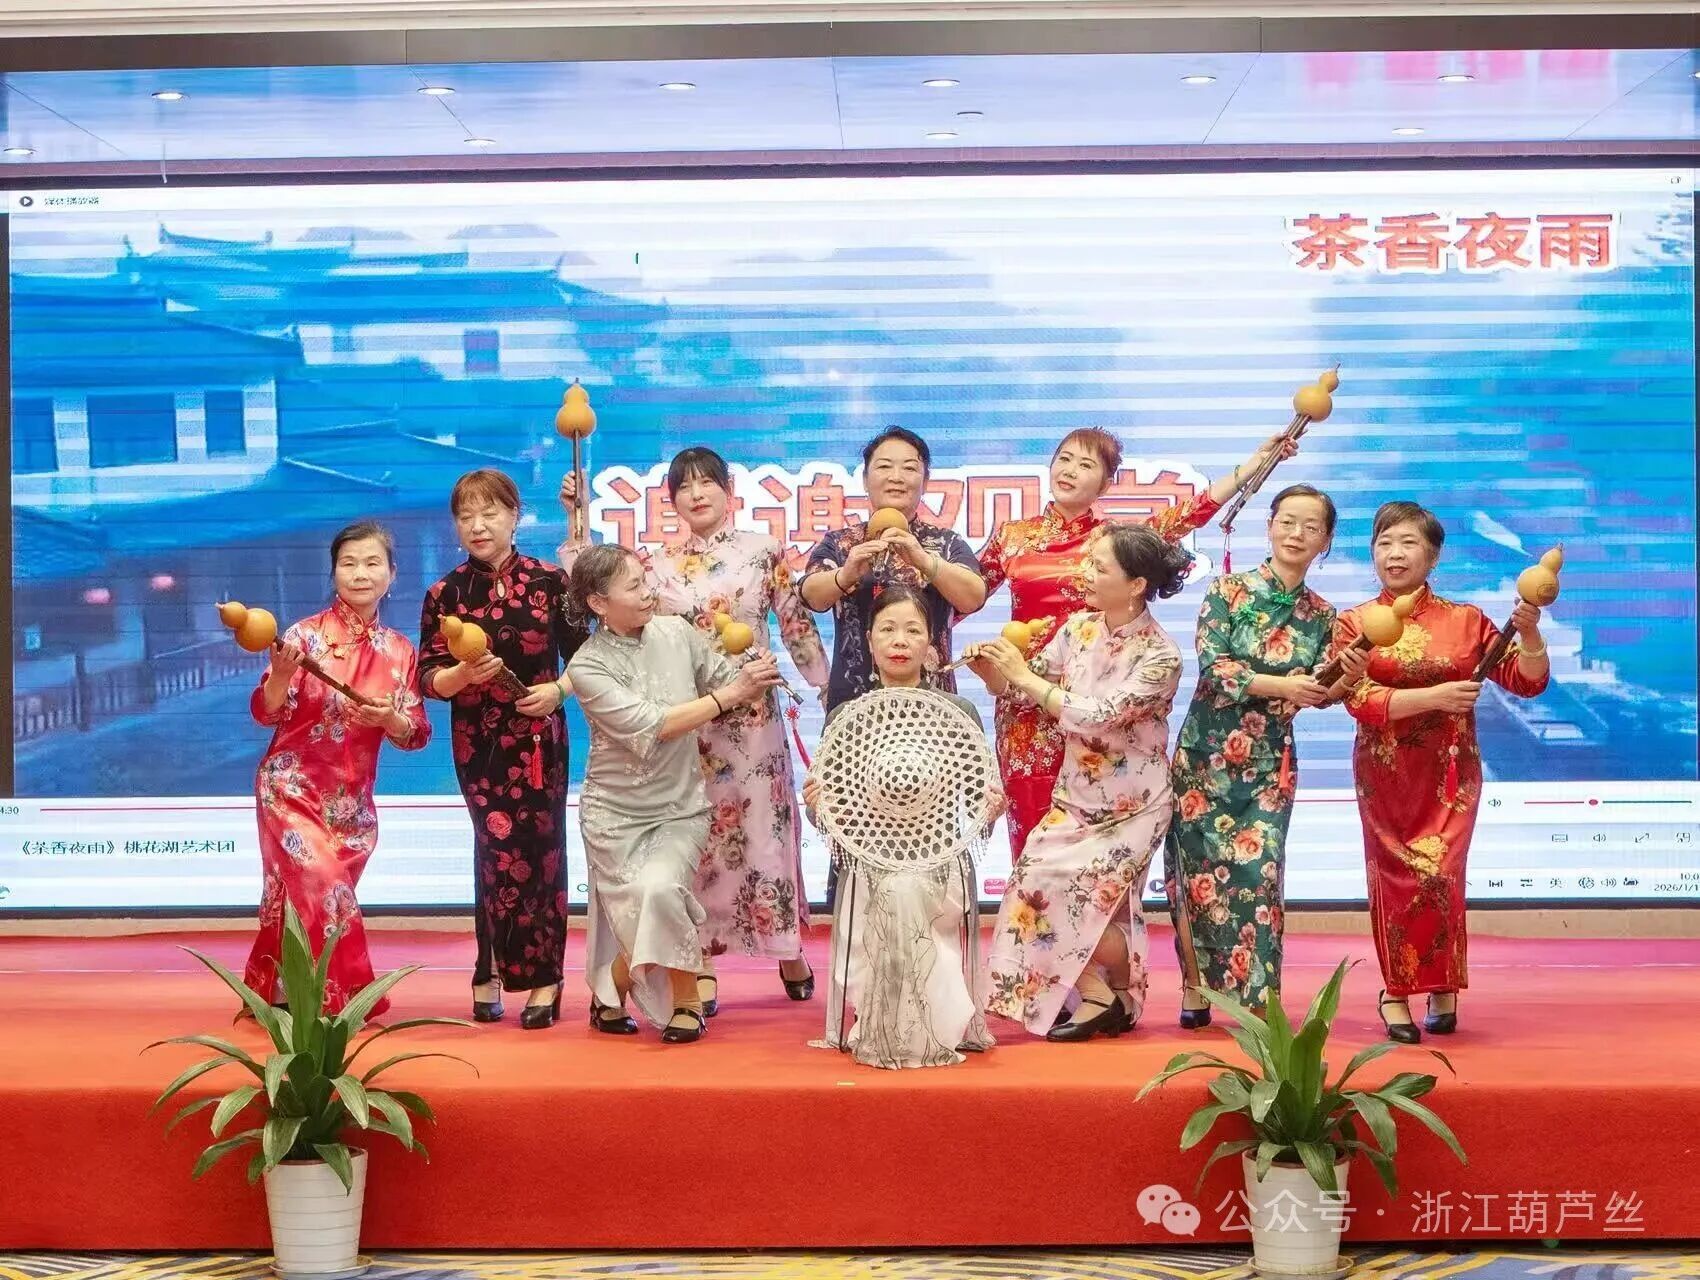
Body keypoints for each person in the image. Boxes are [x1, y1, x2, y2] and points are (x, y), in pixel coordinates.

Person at [561, 448, 826, 1013]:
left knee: (765, 834)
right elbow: (598, 591)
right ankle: (700, 958)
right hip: (690, 726)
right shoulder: (656, 565)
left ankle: (788, 949)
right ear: (671, 500)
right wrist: (577, 515)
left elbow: (796, 623)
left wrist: (826, 688)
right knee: (699, 848)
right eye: (685, 486)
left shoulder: (763, 550)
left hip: (752, 719)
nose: (697, 494)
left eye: (708, 482)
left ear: (730, 490)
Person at [976, 429, 1305, 861]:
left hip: (1101, 699)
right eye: (1064, 459)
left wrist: (1253, 465)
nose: (1069, 471)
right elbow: (965, 593)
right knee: (1034, 846)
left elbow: (1192, 512)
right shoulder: (1013, 536)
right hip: (1026, 701)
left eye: (1086, 464)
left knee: (1098, 847)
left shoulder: (1116, 542)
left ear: (1106, 483)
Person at [1332, 501, 1549, 1043]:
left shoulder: (1467, 620)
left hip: (1451, 772)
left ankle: (1442, 985)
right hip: (1386, 770)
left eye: (1408, 543)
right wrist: (1435, 698)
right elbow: (1358, 700)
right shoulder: (1355, 623)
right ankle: (1395, 990)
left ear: (1432, 556)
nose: (1394, 553)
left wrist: (1530, 636)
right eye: (1384, 542)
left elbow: (1526, 682)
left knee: (1441, 876)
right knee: (1393, 876)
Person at [970, 524, 1192, 1041]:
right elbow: (1024, 693)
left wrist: (1024, 677)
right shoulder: (1078, 629)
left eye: (1099, 567)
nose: (1085, 574)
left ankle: (1111, 994)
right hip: (1075, 797)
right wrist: (994, 672)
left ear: (1136, 584)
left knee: (1090, 904)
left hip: (1133, 805)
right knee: (1031, 887)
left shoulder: (1161, 655)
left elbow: (1098, 716)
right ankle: (1103, 994)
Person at [1163, 485, 1369, 1028]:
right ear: (1270, 525)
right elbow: (1215, 668)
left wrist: (1345, 677)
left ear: (1326, 541)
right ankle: (1195, 989)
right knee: (1194, 875)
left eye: (1311, 526)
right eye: (1288, 521)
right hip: (1204, 759)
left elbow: (1322, 692)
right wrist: (1284, 685)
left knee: (1261, 877)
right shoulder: (1227, 590)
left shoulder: (1324, 615)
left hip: (1268, 767)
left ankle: (1257, 999)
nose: (1296, 534)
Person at [567, 543, 785, 1044]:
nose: (649, 593)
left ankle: (673, 1000)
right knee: (643, 905)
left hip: (680, 807)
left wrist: (751, 675)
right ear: (598, 603)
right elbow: (654, 725)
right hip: (613, 815)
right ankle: (613, 991)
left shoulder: (676, 631)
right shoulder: (587, 668)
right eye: (634, 587)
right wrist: (728, 695)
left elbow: (725, 682)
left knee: (662, 890)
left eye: (646, 581)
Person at [801, 586, 1001, 1070]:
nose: (900, 640)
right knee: (892, 890)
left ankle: (919, 1029)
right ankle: (886, 1026)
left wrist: (992, 809)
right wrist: (816, 807)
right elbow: (830, 814)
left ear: (931, 643)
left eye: (913, 630)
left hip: (937, 862)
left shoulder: (958, 714)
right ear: (869, 640)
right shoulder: (847, 718)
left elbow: (980, 801)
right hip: (869, 864)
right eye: (887, 629)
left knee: (906, 891)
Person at [419, 469, 587, 1031]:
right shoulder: (444, 593)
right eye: (466, 516)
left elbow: (589, 657)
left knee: (542, 850)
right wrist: (463, 674)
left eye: (490, 512)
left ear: (515, 516)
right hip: (479, 742)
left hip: (539, 739)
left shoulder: (549, 582)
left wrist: (557, 691)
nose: (478, 525)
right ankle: (488, 966)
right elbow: (428, 678)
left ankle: (545, 975)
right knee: (492, 850)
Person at [244, 521, 431, 1016]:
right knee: (326, 888)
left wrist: (388, 718)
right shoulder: (303, 636)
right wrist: (282, 676)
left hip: (351, 803)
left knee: (298, 895)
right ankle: (347, 1000)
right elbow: (266, 712)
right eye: (348, 563)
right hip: (289, 789)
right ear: (334, 573)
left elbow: (415, 733)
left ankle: (282, 990)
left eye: (372, 563)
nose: (360, 573)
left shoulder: (400, 651)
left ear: (392, 574)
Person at [800, 426, 985, 712]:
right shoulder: (840, 543)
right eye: (884, 466)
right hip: (854, 701)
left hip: (933, 703)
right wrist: (845, 575)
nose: (896, 477)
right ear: (865, 479)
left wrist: (925, 562)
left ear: (925, 481)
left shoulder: (946, 543)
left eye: (909, 468)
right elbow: (810, 595)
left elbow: (973, 597)